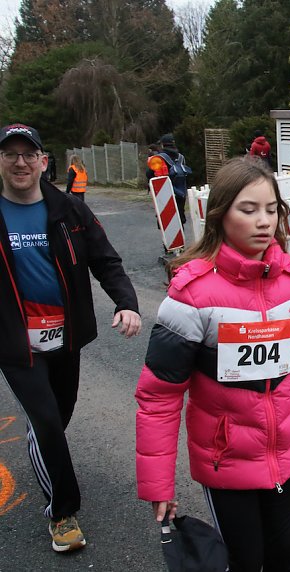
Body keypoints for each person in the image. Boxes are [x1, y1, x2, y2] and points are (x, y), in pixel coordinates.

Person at [135, 157, 290, 572]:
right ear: (220, 215)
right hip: (226, 463)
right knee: (244, 562)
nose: (263, 221)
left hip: (287, 459)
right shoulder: (190, 296)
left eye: (271, 210)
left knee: (284, 559)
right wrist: (158, 484)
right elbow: (158, 397)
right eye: (248, 209)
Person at [0, 123, 141, 553]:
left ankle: (45, 445)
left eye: (29, 154)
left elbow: (106, 259)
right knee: (46, 422)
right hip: (14, 340)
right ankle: (62, 512)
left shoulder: (69, 210)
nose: (20, 162)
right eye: (11, 154)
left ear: (44, 161)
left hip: (66, 335)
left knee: (60, 413)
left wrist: (127, 302)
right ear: (0, 161)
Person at [155, 134, 191, 225]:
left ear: (163, 145)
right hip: (180, 193)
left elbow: (150, 174)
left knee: (167, 224)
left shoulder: (159, 158)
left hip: (165, 194)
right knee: (179, 221)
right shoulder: (181, 158)